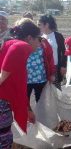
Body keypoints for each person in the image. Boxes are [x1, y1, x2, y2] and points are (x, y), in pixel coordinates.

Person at [0, 19, 38, 148]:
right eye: (38, 39)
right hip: (2, 103)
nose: (39, 44)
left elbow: (18, 84)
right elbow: (3, 77)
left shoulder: (9, 43)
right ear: (29, 38)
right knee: (4, 139)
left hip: (5, 100)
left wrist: (27, 109)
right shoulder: (22, 46)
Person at [38, 15, 67, 90]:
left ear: (46, 25)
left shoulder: (58, 36)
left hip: (55, 67)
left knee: (56, 90)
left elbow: (64, 51)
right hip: (43, 68)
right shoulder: (40, 37)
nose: (39, 27)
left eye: (40, 24)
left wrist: (63, 66)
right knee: (45, 91)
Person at [27, 36, 55, 102]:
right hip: (26, 79)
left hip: (40, 78)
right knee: (24, 101)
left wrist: (52, 74)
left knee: (40, 101)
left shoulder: (43, 42)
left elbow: (50, 59)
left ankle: (40, 112)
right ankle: (27, 112)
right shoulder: (22, 42)